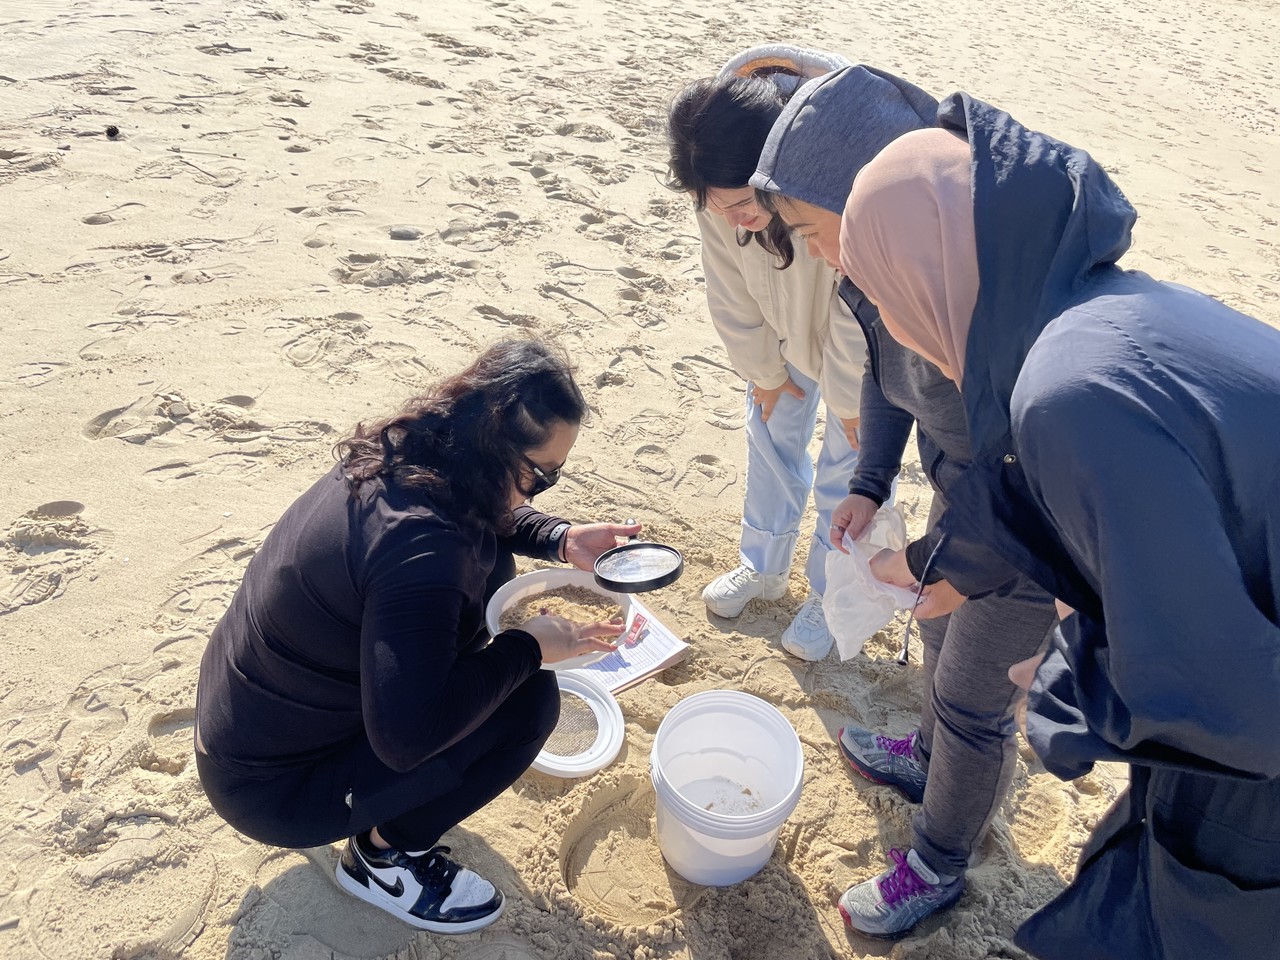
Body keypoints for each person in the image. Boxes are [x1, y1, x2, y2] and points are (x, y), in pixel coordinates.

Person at [839, 105, 1280, 959]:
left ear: (934, 275)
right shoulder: (1100, 310)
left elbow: (1231, 704)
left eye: (888, 296)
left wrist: (1061, 686)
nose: (895, 329)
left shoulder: (1065, 392)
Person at [748, 66, 1058, 938]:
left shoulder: (975, 294)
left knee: (973, 695)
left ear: (865, 198)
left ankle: (939, 861)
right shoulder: (893, 268)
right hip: (972, 503)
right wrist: (871, 484)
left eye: (811, 227)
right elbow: (885, 379)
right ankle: (926, 758)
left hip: (1028, 533)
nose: (809, 249)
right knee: (931, 628)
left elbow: (1017, 484)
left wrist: (934, 562)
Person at [194, 339, 639, 933]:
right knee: (528, 701)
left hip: (244, 715)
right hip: (272, 785)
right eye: (538, 476)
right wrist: (530, 646)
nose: (537, 492)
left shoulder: (412, 447)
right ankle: (382, 857)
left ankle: (385, 827)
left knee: (491, 585)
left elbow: (486, 514)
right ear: (489, 446)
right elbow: (406, 739)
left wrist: (557, 538)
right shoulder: (426, 552)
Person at [664, 45, 866, 660]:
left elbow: (862, 304)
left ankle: (831, 597)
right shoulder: (716, 189)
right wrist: (764, 371)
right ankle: (763, 564)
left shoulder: (836, 175)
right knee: (771, 436)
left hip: (859, 350)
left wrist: (852, 403)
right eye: (717, 204)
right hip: (783, 339)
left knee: (848, 471)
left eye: (746, 203)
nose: (733, 217)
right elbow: (726, 284)